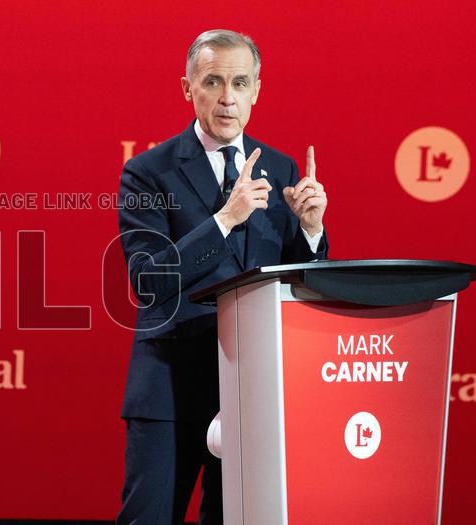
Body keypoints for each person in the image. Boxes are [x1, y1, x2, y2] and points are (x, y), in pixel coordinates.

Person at [117, 30, 328, 524]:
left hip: (253, 392)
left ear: (257, 89)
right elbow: (148, 281)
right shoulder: (148, 172)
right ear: (188, 88)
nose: (228, 97)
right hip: (171, 388)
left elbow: (293, 282)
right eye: (213, 81)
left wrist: (312, 232)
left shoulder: (281, 169)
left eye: (240, 82)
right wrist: (224, 220)